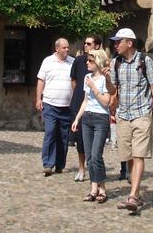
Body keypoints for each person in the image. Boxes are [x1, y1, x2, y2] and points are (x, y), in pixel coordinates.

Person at [109, 27, 153, 214]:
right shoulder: (115, 63)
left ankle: (132, 196)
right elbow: (113, 90)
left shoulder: (144, 61)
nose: (116, 45)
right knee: (129, 157)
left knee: (139, 154)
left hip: (142, 113)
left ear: (129, 43)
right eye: (115, 42)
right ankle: (137, 193)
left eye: (119, 42)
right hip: (123, 115)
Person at [71, 48, 111, 203]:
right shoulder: (87, 77)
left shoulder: (105, 78)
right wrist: (77, 119)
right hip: (87, 118)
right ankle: (94, 188)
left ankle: (103, 189)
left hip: (100, 118)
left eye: (90, 60)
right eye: (87, 60)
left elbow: (106, 102)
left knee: (96, 155)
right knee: (89, 156)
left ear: (98, 62)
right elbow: (86, 100)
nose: (87, 63)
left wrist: (94, 87)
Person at [36, 38, 74, 176]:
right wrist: (38, 98)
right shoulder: (47, 61)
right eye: (64, 48)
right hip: (50, 104)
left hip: (66, 105)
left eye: (68, 47)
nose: (67, 50)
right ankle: (48, 164)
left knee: (63, 136)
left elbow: (75, 81)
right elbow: (41, 80)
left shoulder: (72, 62)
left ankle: (60, 164)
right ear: (57, 48)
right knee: (50, 132)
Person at [69, 34, 103, 181]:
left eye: (89, 44)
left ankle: (94, 170)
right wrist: (79, 97)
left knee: (95, 142)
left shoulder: (101, 62)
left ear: (96, 46)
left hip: (98, 107)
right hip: (80, 102)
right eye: (85, 43)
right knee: (80, 140)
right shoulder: (78, 61)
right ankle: (82, 168)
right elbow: (73, 80)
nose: (85, 46)